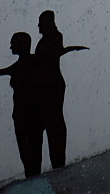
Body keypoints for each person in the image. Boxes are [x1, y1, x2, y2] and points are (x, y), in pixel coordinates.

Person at [0, 32, 47, 178]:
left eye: (14, 43)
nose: (11, 46)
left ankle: (32, 176)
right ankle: (32, 176)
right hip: (23, 115)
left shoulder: (27, 64)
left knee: (30, 150)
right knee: (30, 150)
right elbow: (5, 71)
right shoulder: (24, 64)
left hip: (30, 115)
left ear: (22, 45)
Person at [34, 11, 89, 171]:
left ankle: (58, 161)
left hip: (52, 84)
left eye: (40, 22)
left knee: (54, 122)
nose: (38, 26)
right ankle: (57, 161)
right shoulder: (49, 38)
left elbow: (51, 57)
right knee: (52, 121)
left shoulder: (54, 37)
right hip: (47, 85)